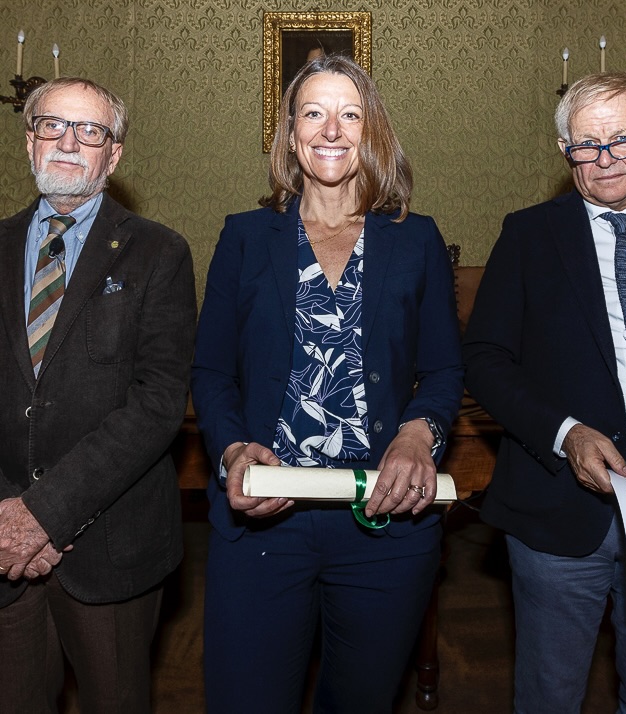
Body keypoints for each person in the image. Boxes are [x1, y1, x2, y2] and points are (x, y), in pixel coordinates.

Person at [192, 54, 463, 714]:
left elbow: (445, 369)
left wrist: (416, 434)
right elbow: (211, 371)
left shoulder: (416, 239)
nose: (331, 129)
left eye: (350, 114)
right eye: (313, 113)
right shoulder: (245, 238)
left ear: (371, 133)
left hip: (383, 523)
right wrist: (232, 450)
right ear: (290, 134)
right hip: (264, 516)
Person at [463, 71, 626, 714]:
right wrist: (565, 433)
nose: (603, 159)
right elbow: (485, 359)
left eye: (621, 140)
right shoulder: (527, 237)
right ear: (564, 151)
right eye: (585, 144)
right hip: (560, 511)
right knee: (550, 696)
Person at [0, 77, 196, 713]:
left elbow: (158, 404)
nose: (69, 142)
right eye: (53, 125)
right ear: (29, 141)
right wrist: (8, 516)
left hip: (111, 544)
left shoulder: (160, 253)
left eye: (91, 131)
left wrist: (46, 514)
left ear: (112, 156)